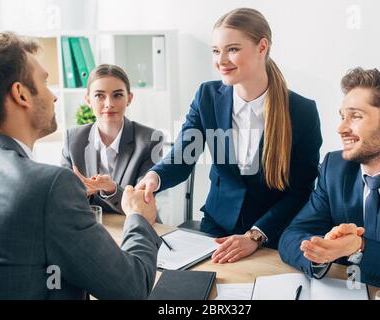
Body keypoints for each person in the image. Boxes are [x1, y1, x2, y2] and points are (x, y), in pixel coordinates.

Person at [0, 32, 161, 299]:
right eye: (44, 82)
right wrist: (138, 218)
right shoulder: (49, 186)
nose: (54, 96)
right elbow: (132, 288)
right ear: (21, 94)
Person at [136, 8, 322, 263]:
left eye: (232, 49)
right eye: (216, 51)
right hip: (217, 230)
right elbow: (182, 157)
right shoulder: (207, 97)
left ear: (262, 47)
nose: (221, 60)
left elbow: (301, 190)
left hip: (273, 235)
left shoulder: (301, 111)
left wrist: (255, 235)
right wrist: (154, 177)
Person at [279, 68, 380, 299]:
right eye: (342, 116)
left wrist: (359, 247)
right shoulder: (334, 167)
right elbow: (292, 235)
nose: (341, 128)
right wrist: (320, 252)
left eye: (356, 116)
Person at [61, 64, 163, 215]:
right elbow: (61, 197)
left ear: (129, 98)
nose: (109, 104)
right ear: (88, 100)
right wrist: (78, 192)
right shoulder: (73, 139)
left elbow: (143, 204)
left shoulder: (150, 140)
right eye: (99, 96)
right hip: (89, 228)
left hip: (134, 229)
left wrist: (112, 189)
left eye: (117, 95)